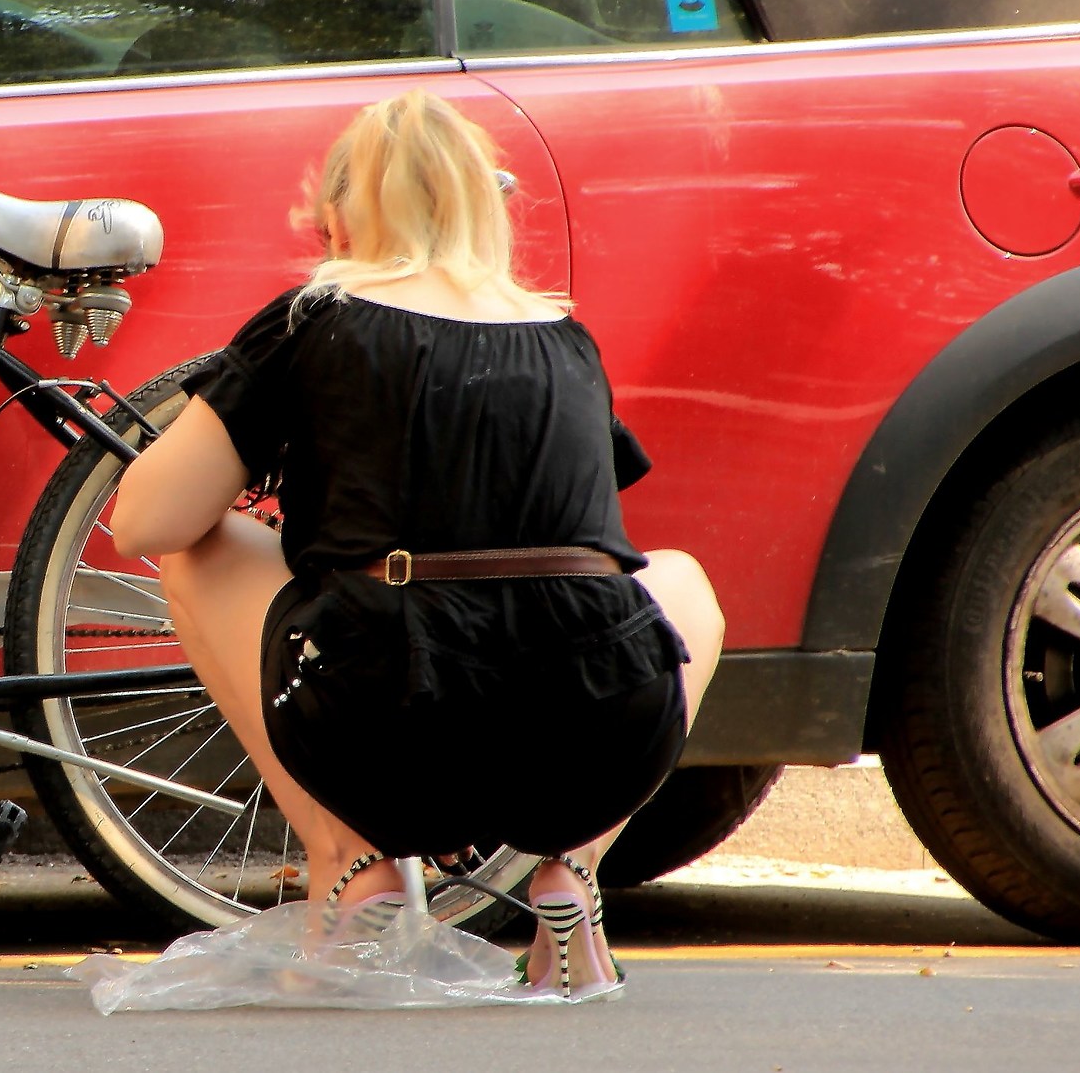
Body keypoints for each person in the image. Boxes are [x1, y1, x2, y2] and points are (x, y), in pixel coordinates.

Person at [110, 89, 725, 1001]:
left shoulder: (316, 319)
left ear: (346, 208)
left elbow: (142, 521)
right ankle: (574, 870)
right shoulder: (564, 335)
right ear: (487, 202)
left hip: (390, 727)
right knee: (680, 581)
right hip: (592, 739)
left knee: (195, 552)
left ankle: (352, 869)